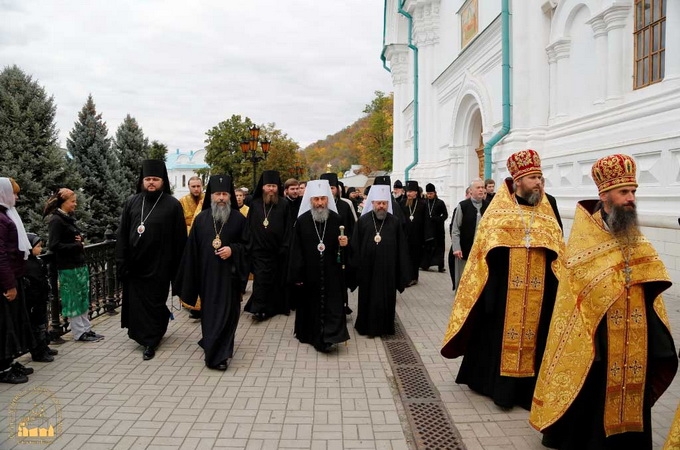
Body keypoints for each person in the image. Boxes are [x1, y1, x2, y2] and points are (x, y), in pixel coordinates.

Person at [530, 154, 678, 449]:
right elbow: (573, 302)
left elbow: (651, 286)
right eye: (624, 192)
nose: (631, 198)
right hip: (598, 344)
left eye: (634, 192)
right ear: (604, 195)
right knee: (595, 405)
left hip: (635, 338)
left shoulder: (634, 236)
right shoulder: (584, 243)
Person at [441, 149, 564, 410]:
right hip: (505, 292)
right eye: (533, 178)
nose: (539, 183)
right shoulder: (499, 207)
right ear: (518, 180)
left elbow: (559, 246)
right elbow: (484, 252)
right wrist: (489, 294)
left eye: (541, 178)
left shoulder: (549, 204)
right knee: (498, 339)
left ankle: (530, 391)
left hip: (540, 291)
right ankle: (500, 389)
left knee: (537, 339)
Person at [175, 175, 248, 370]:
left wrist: (233, 250)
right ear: (212, 196)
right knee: (209, 315)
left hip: (229, 278)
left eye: (225, 194)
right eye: (218, 194)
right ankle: (211, 344)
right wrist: (190, 279)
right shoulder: (201, 219)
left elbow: (248, 246)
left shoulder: (239, 219)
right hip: (207, 278)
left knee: (228, 315)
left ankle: (219, 356)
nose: (221, 198)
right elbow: (192, 251)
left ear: (230, 196)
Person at [117, 160, 186, 361]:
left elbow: (180, 239)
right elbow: (123, 233)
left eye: (155, 179)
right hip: (135, 265)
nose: (151, 183)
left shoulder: (172, 205)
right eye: (148, 179)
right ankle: (143, 336)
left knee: (155, 303)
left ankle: (151, 340)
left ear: (162, 181)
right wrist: (121, 260)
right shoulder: (132, 202)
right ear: (142, 181)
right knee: (138, 305)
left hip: (160, 266)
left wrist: (178, 270)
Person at [289, 180, 350, 352]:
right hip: (310, 272)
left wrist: (345, 244)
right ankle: (311, 334)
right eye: (316, 199)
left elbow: (343, 248)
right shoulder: (302, 221)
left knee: (331, 303)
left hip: (331, 271)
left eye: (323, 199)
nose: (320, 203)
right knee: (311, 304)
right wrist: (298, 274)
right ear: (310, 200)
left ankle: (331, 336)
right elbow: (296, 250)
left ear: (328, 199)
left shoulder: (336, 219)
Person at [44, 188, 104, 343]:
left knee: (83, 297)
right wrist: (76, 246)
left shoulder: (68, 218)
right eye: (72, 201)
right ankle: (79, 332)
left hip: (78, 264)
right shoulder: (56, 220)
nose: (75, 204)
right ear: (63, 203)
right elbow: (54, 245)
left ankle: (86, 328)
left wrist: (79, 242)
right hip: (68, 267)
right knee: (73, 299)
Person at [349, 184, 410, 337]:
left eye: (384, 203)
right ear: (373, 203)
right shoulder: (362, 221)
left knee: (386, 300)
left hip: (388, 270)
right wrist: (355, 268)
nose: (381, 206)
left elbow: (402, 248)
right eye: (378, 203)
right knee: (367, 299)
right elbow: (355, 246)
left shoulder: (394, 222)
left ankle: (385, 328)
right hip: (367, 270)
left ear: (388, 204)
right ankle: (366, 327)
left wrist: (402, 271)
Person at [0, 178, 34, 384]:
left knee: (12, 322)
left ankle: (9, 362)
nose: (17, 197)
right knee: (4, 325)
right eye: (14, 193)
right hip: (5, 283)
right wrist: (9, 284)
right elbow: (1, 255)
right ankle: (3, 368)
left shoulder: (6, 214)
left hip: (14, 277)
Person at [243, 170, 291, 320]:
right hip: (258, 251)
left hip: (277, 252)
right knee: (260, 281)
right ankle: (259, 309)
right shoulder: (255, 204)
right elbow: (249, 227)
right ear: (263, 187)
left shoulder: (284, 204)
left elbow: (289, 227)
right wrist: (249, 245)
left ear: (278, 188)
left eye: (274, 186)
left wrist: (285, 246)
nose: (271, 189)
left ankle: (273, 307)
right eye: (269, 186)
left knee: (275, 280)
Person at [23, 233, 58, 362]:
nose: (40, 249)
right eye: (37, 246)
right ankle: (38, 351)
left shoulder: (38, 261)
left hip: (41, 298)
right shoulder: (27, 265)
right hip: (33, 300)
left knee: (42, 324)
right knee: (36, 326)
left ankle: (44, 346)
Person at [450, 180, 489, 290]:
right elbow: (456, 229)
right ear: (471, 191)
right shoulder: (463, 206)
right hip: (464, 251)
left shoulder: (488, 206)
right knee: (463, 280)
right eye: (478, 188)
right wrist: (456, 248)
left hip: (482, 251)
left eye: (482, 187)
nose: (481, 189)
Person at [178, 176, 204, 319]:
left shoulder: (206, 199)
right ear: (189, 187)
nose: (196, 189)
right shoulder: (182, 202)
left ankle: (204, 305)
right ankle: (190, 304)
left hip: (204, 243)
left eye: (198, 186)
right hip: (188, 243)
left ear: (202, 186)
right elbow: (179, 223)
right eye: (193, 186)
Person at [401, 180, 430, 287]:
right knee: (406, 257)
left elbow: (426, 221)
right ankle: (406, 277)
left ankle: (414, 277)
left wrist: (426, 236)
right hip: (405, 235)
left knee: (415, 257)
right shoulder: (402, 203)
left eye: (411, 191)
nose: (408, 193)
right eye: (407, 191)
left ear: (416, 193)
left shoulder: (422, 204)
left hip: (417, 236)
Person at [421, 183, 448, 273]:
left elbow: (445, 215)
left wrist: (437, 219)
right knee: (427, 247)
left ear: (435, 193)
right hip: (427, 229)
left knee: (439, 247)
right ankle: (425, 264)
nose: (429, 195)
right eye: (428, 194)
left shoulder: (440, 203)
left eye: (431, 194)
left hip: (438, 229)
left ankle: (440, 266)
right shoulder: (424, 203)